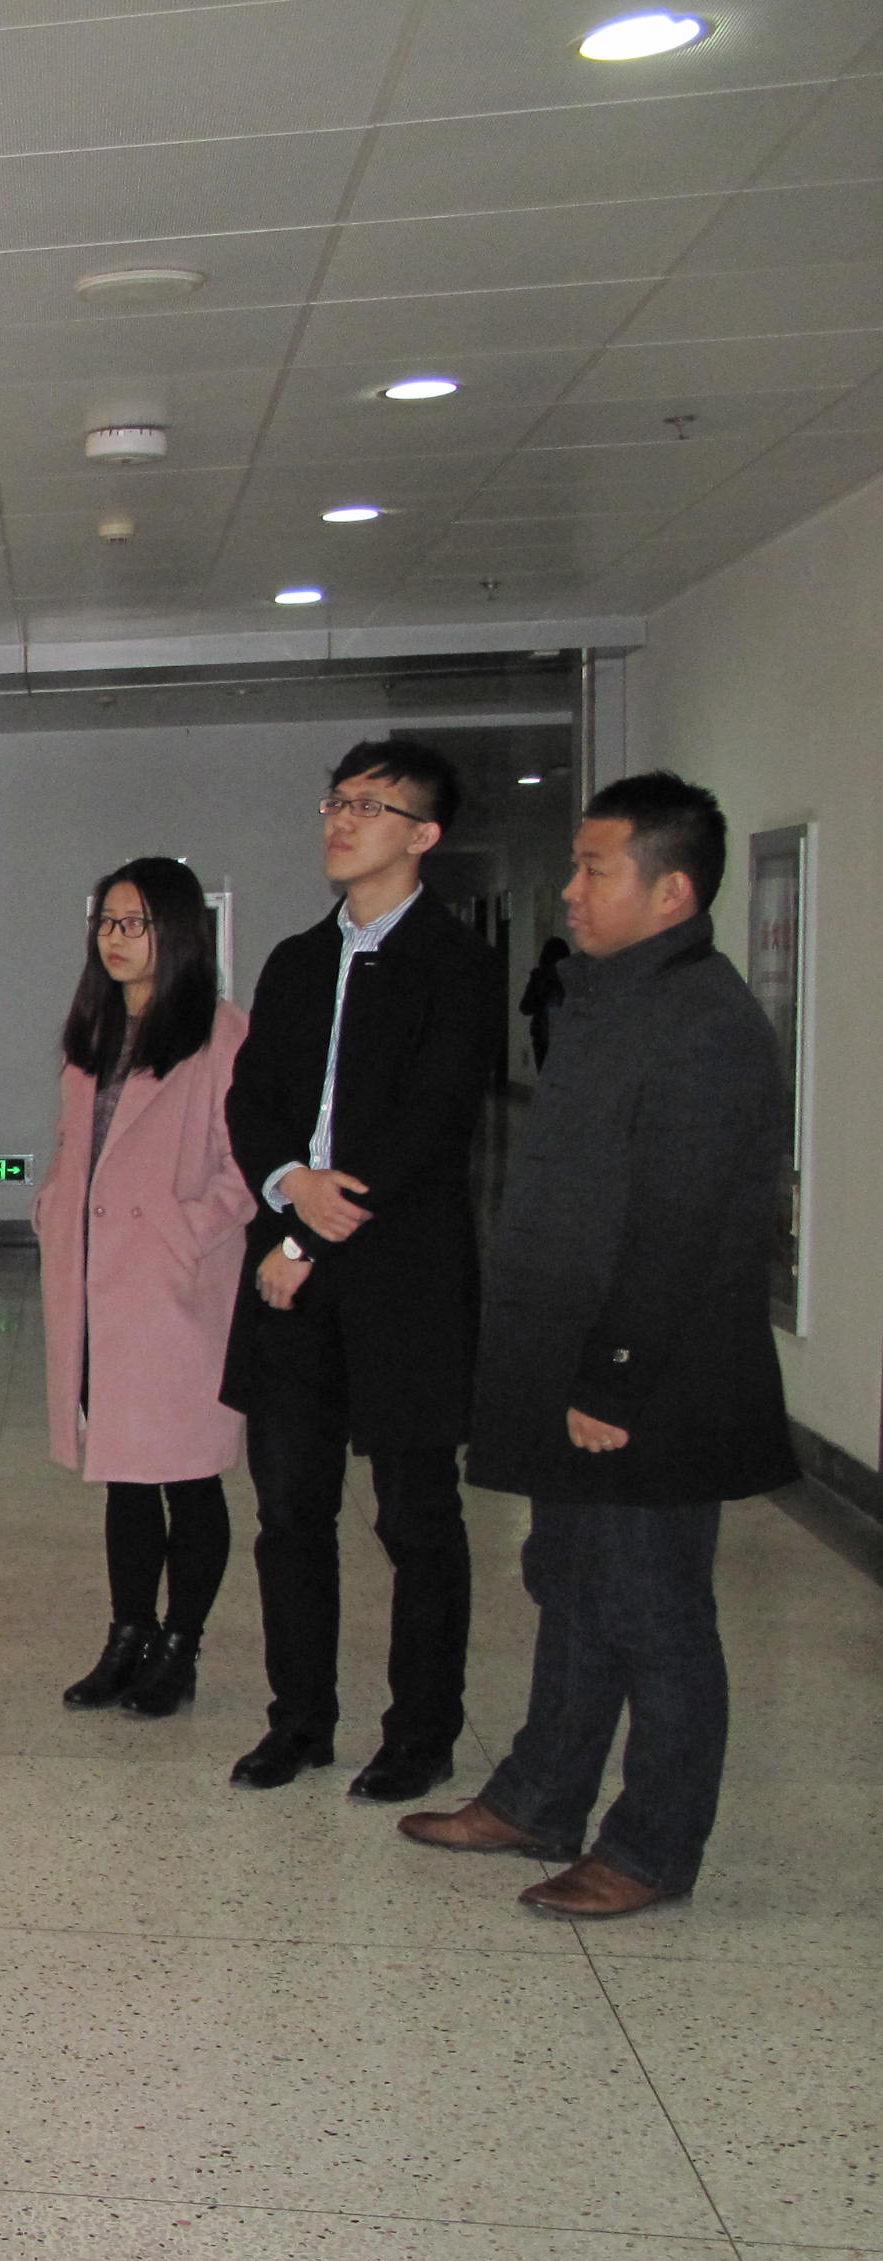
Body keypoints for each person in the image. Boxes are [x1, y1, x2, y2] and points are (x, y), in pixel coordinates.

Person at [403, 772, 795, 1917]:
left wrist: (613, 1380)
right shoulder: (611, 997)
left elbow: (682, 1228)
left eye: (593, 869)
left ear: (672, 892)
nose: (570, 890)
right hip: (572, 1364)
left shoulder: (707, 1024)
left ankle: (653, 1848)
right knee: (571, 1584)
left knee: (653, 1612)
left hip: (649, 1382)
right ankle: (539, 1796)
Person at [219, 739, 505, 1801]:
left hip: (401, 1280)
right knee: (290, 1511)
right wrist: (286, 1184)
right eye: (336, 801)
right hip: (289, 1273)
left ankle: (421, 1733)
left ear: (423, 835)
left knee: (415, 1519)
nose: (342, 821)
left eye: (371, 807)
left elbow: (429, 1122)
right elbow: (252, 1098)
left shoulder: (458, 963)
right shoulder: (297, 960)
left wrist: (304, 1236)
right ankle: (299, 1720)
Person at [34, 858, 256, 1718]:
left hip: (175, 1290)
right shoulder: (92, 1031)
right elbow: (74, 1143)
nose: (116, 939)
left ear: (179, 932)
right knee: (122, 1470)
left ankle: (180, 1645)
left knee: (188, 1473)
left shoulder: (221, 1033)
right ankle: (127, 1633)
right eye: (107, 923)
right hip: (98, 1282)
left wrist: (186, 1230)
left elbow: (248, 1163)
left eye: (136, 923)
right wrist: (53, 1204)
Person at [521, 935, 571, 1071]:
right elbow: (525, 1007)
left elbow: (525, 1007)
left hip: (552, 1036)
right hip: (550, 1036)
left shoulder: (541, 976)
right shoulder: (541, 977)